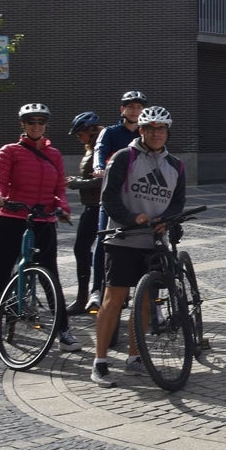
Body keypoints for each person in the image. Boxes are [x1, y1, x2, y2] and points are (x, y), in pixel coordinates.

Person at [0, 103, 79, 358]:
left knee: (50, 275)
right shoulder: (10, 151)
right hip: (13, 217)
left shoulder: (54, 154)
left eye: (41, 122)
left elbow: (59, 189)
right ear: (23, 125)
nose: (36, 126)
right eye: (31, 122)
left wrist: (62, 207)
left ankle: (63, 330)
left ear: (46, 125)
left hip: (43, 221)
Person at [90, 105, 185, 386]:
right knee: (113, 300)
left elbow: (178, 203)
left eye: (161, 129)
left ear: (167, 132)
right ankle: (100, 361)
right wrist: (132, 218)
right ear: (141, 131)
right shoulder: (123, 157)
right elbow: (108, 199)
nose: (156, 133)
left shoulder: (176, 165)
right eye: (151, 128)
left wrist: (165, 220)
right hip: (123, 238)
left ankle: (135, 357)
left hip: (153, 242)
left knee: (144, 302)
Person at [87, 89, 148, 311]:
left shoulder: (145, 134)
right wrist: (99, 167)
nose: (134, 110)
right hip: (113, 197)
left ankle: (149, 297)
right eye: (130, 107)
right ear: (122, 109)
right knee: (104, 241)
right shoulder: (111, 132)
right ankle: (96, 290)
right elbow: (99, 150)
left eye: (139, 107)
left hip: (137, 198)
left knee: (146, 245)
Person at [64, 111, 103, 314]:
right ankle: (89, 292)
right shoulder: (93, 147)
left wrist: (76, 183)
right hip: (92, 204)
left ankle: (83, 299)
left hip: (99, 206)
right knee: (86, 250)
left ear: (91, 130)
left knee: (82, 248)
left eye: (80, 134)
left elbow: (103, 178)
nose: (79, 139)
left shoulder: (102, 147)